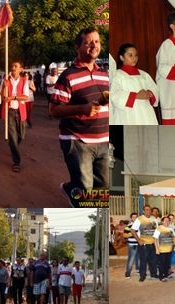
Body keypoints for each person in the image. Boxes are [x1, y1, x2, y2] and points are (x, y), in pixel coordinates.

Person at [50, 27, 109, 207]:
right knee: (85, 190)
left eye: (97, 41)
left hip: (104, 140)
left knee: (105, 187)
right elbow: (53, 110)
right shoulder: (68, 76)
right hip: (77, 141)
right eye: (88, 42)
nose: (94, 45)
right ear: (78, 47)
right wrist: (83, 108)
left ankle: (71, 188)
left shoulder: (104, 75)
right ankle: (74, 191)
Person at [110, 43, 158, 125]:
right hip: (128, 114)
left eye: (136, 55)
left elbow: (154, 89)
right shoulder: (117, 75)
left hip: (146, 113)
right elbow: (115, 95)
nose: (134, 58)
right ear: (121, 57)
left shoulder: (144, 75)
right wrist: (136, 96)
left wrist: (150, 93)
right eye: (130, 55)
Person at [2, 61, 30, 173]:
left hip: (21, 111)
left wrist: (13, 97)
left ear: (20, 69)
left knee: (21, 136)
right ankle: (16, 162)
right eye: (12, 66)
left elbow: (25, 97)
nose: (13, 67)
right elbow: (4, 98)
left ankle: (13, 147)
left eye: (16, 66)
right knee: (13, 137)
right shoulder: (6, 80)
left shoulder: (24, 80)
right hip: (10, 112)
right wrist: (5, 87)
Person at [131, 205, 158, 282]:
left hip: (153, 244)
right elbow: (132, 231)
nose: (148, 211)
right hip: (144, 244)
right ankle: (142, 275)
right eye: (146, 210)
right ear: (143, 211)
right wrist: (139, 240)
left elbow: (157, 231)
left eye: (149, 210)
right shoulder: (139, 219)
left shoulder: (154, 219)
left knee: (153, 260)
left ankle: (154, 274)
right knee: (143, 260)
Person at [153, 216, 175, 282]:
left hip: (169, 249)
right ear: (162, 221)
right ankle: (161, 276)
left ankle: (166, 274)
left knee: (167, 263)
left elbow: (173, 237)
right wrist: (157, 249)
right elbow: (155, 239)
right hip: (162, 250)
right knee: (161, 263)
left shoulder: (171, 229)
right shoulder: (158, 229)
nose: (167, 222)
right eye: (165, 220)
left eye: (168, 221)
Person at [124, 213, 139, 278]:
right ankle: (128, 272)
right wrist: (132, 233)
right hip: (132, 245)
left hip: (139, 244)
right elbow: (124, 235)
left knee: (138, 258)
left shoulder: (139, 225)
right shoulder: (129, 226)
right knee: (131, 259)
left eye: (136, 217)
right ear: (131, 218)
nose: (135, 218)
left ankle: (138, 269)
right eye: (133, 217)